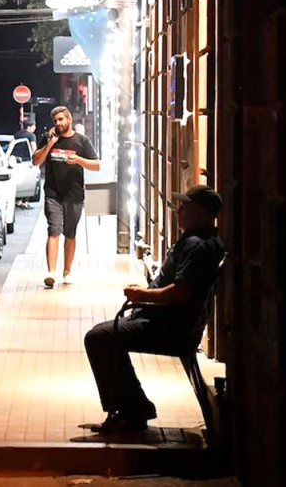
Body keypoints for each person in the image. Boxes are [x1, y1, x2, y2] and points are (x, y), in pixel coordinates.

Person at [83, 184, 226, 433]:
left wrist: (143, 295)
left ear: (201, 213)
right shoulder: (205, 241)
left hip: (169, 327)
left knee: (99, 337)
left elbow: (179, 293)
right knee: (104, 335)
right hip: (169, 322)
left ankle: (133, 409)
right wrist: (144, 295)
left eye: (186, 206)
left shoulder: (197, 246)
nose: (179, 210)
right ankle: (132, 407)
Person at [30, 105, 100, 287]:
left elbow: (96, 165)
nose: (58, 123)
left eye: (61, 119)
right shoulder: (48, 138)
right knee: (53, 231)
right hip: (53, 194)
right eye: (55, 121)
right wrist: (49, 145)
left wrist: (78, 160)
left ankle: (67, 271)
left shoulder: (81, 141)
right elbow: (36, 160)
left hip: (74, 195)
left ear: (69, 120)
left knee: (70, 234)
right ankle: (51, 272)